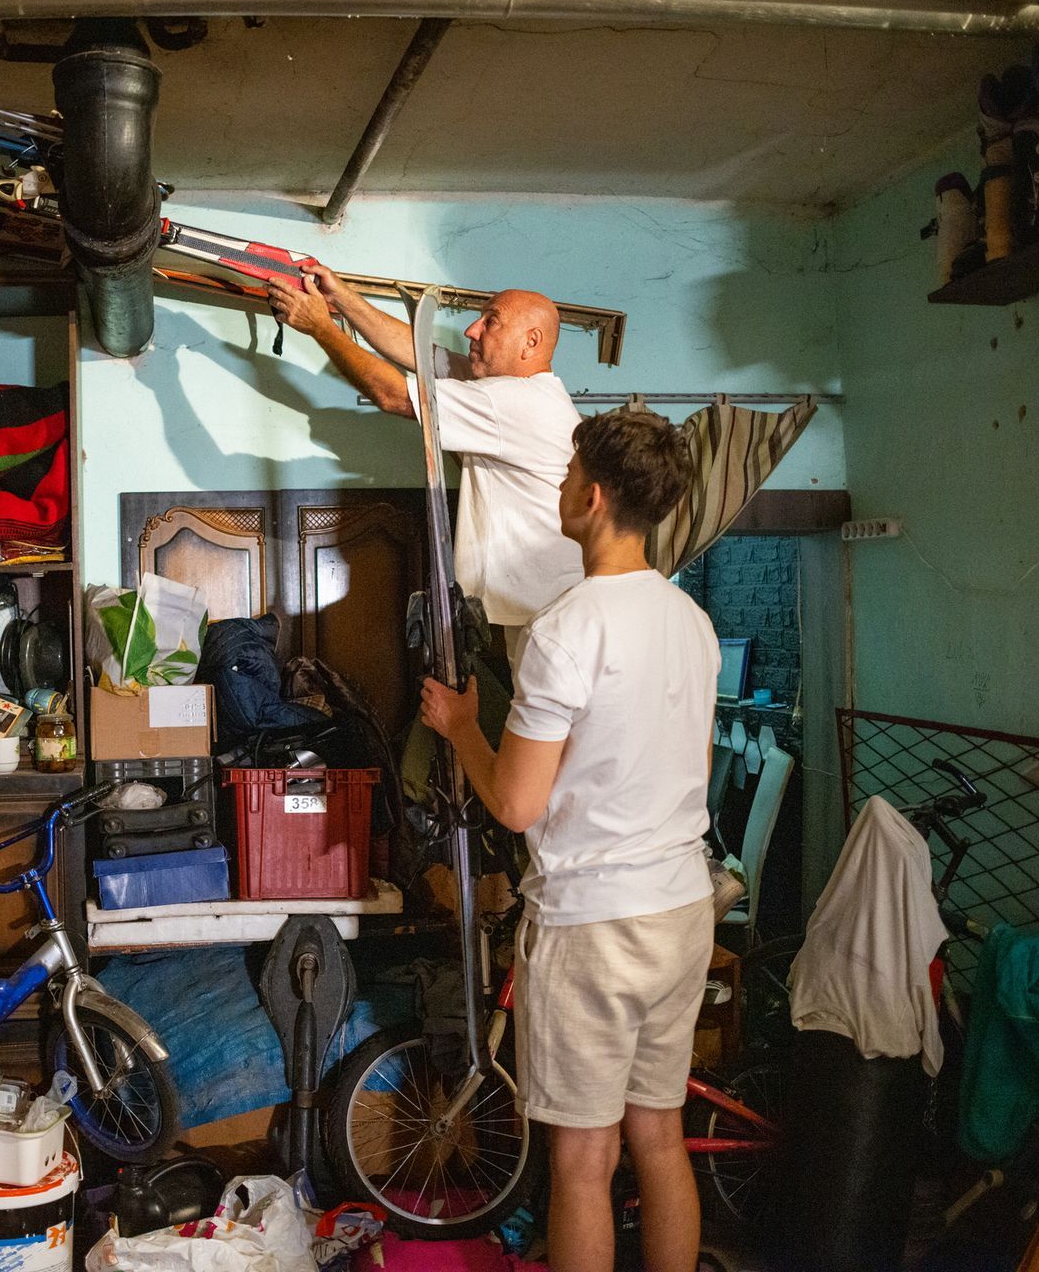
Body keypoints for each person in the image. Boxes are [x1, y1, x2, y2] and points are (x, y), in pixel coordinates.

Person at [418, 409, 718, 1272]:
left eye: (562, 477)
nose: (555, 489)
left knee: (584, 1160)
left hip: (595, 926)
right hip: (680, 910)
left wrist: (462, 727)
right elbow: (688, 769)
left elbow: (515, 803)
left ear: (590, 498)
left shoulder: (566, 628)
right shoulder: (691, 623)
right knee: (659, 1137)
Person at [266, 266, 583, 664]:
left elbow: (394, 395)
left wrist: (322, 329)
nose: (472, 330)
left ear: (530, 341)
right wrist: (343, 298)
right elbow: (422, 356)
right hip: (541, 609)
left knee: (549, 725)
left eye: (491, 321)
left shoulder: (515, 402)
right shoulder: (523, 393)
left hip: (552, 617)